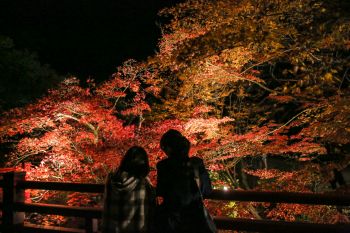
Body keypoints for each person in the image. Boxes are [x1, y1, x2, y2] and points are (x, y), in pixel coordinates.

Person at [156, 129, 214, 233]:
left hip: (172, 220)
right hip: (195, 218)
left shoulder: (163, 166)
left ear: (169, 148)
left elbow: (161, 191)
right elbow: (207, 191)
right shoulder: (197, 163)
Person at [102, 146, 156, 233]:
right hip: (136, 229)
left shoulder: (111, 178)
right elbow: (152, 209)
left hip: (111, 228)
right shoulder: (144, 183)